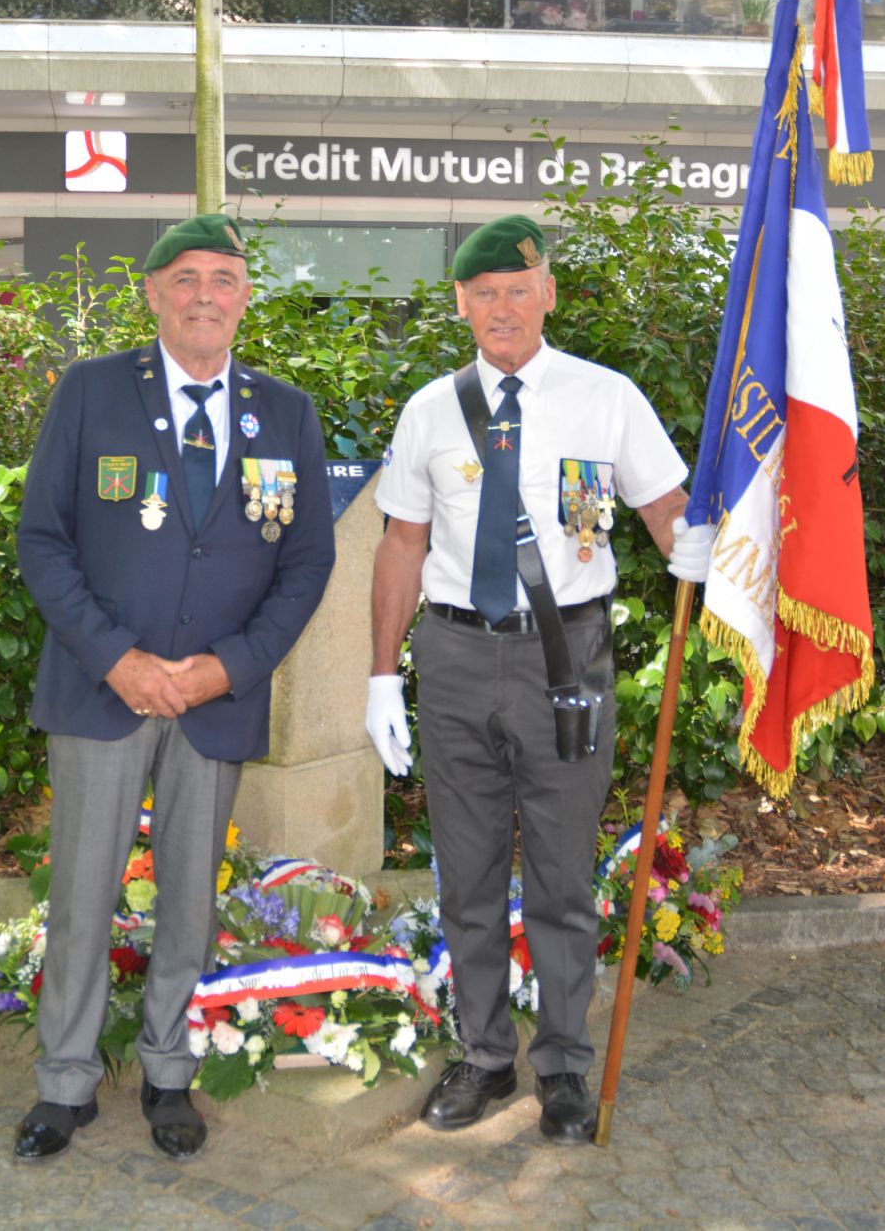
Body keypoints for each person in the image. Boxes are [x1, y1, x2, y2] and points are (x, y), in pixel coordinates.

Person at [364, 214, 713, 1144]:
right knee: (467, 873)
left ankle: (562, 1063)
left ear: (548, 294)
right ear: (460, 305)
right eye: (484, 293)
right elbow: (401, 544)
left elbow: (666, 507)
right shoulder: (430, 411)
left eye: (519, 290)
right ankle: (484, 1054)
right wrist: (381, 676)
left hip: (567, 659)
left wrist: (699, 548)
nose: (502, 308)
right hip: (453, 657)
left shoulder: (608, 399)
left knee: (560, 875)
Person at [14, 214, 335, 1163]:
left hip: (213, 700)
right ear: (153, 291)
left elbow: (307, 563)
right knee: (82, 893)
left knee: (190, 899)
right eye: (185, 277)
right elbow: (43, 540)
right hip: (103, 691)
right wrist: (119, 658)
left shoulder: (287, 412)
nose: (205, 294)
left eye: (223, 278)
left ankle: (168, 1070)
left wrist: (228, 666)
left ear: (245, 297)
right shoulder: (91, 390)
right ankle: (64, 1082)